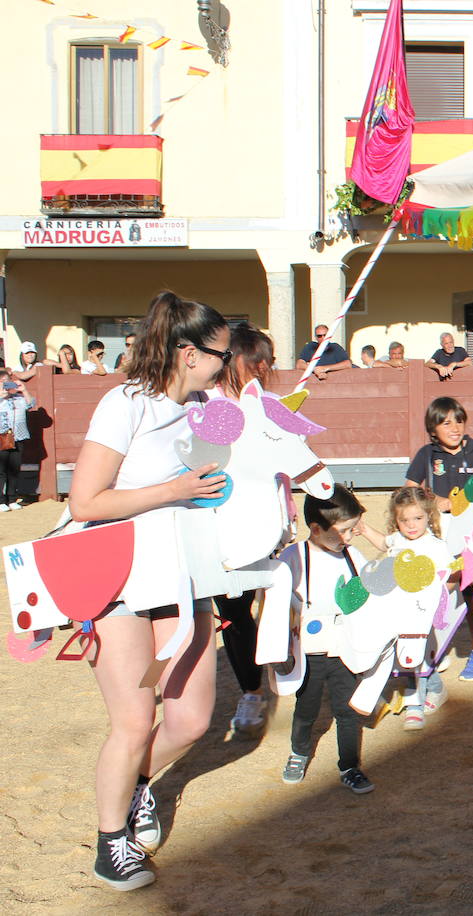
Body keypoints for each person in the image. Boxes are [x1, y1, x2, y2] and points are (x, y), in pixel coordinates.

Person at [68, 290, 231, 890]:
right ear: (188, 353)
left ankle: (137, 787)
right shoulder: (123, 405)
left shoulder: (208, 406)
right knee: (134, 720)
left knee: (189, 720)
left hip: (184, 573)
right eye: (219, 353)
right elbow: (85, 501)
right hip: (117, 578)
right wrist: (174, 489)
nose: (225, 363)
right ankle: (111, 843)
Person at [276, 488, 375, 795]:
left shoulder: (353, 556)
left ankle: (349, 766)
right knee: (306, 707)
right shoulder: (293, 558)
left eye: (351, 530)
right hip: (308, 652)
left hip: (344, 649)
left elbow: (366, 596)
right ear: (316, 529)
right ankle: (299, 751)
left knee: (347, 710)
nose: (349, 537)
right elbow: (276, 602)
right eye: (343, 531)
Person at [211, 324, 277, 737]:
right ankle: (252, 689)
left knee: (273, 602)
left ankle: (282, 676)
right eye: (256, 360)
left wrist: (283, 508)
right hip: (219, 521)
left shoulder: (267, 404)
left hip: (264, 519)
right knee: (233, 611)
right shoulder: (205, 402)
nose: (264, 368)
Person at [404, 397, 473, 681]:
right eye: (446, 423)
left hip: (471, 535)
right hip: (440, 532)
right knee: (436, 589)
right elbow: (409, 492)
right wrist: (435, 502)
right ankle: (435, 648)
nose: (455, 428)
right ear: (433, 428)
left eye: (459, 421)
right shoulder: (427, 455)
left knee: (470, 591)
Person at [358, 487, 457, 729]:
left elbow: (451, 576)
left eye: (417, 518)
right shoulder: (398, 540)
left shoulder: (435, 546)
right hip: (396, 611)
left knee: (414, 655)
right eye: (404, 520)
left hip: (421, 614)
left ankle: (415, 706)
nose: (411, 525)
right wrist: (364, 529)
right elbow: (384, 543)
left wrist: (439, 600)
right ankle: (436, 689)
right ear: (396, 520)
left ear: (428, 517)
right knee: (408, 657)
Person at [0, 369, 37, 511]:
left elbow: (31, 404)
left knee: (14, 470)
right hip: (1, 437)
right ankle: (1, 501)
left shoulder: (18, 398)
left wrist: (24, 389)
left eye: (6, 382)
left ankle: (11, 499)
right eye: (1, 382)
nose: (4, 385)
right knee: (1, 471)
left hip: (17, 437)